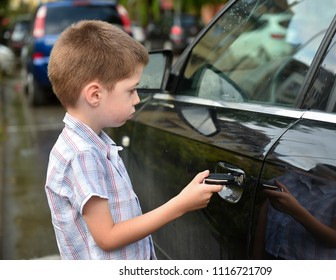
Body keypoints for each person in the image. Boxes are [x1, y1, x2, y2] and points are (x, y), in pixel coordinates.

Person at [44, 20, 223, 260]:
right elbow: (108, 237)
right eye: (131, 90)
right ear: (95, 95)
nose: (137, 99)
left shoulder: (91, 143)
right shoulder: (82, 154)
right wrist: (181, 204)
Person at [253, 169, 336, 260]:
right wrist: (256, 257)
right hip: (269, 254)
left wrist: (296, 211)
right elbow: (266, 210)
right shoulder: (290, 179)